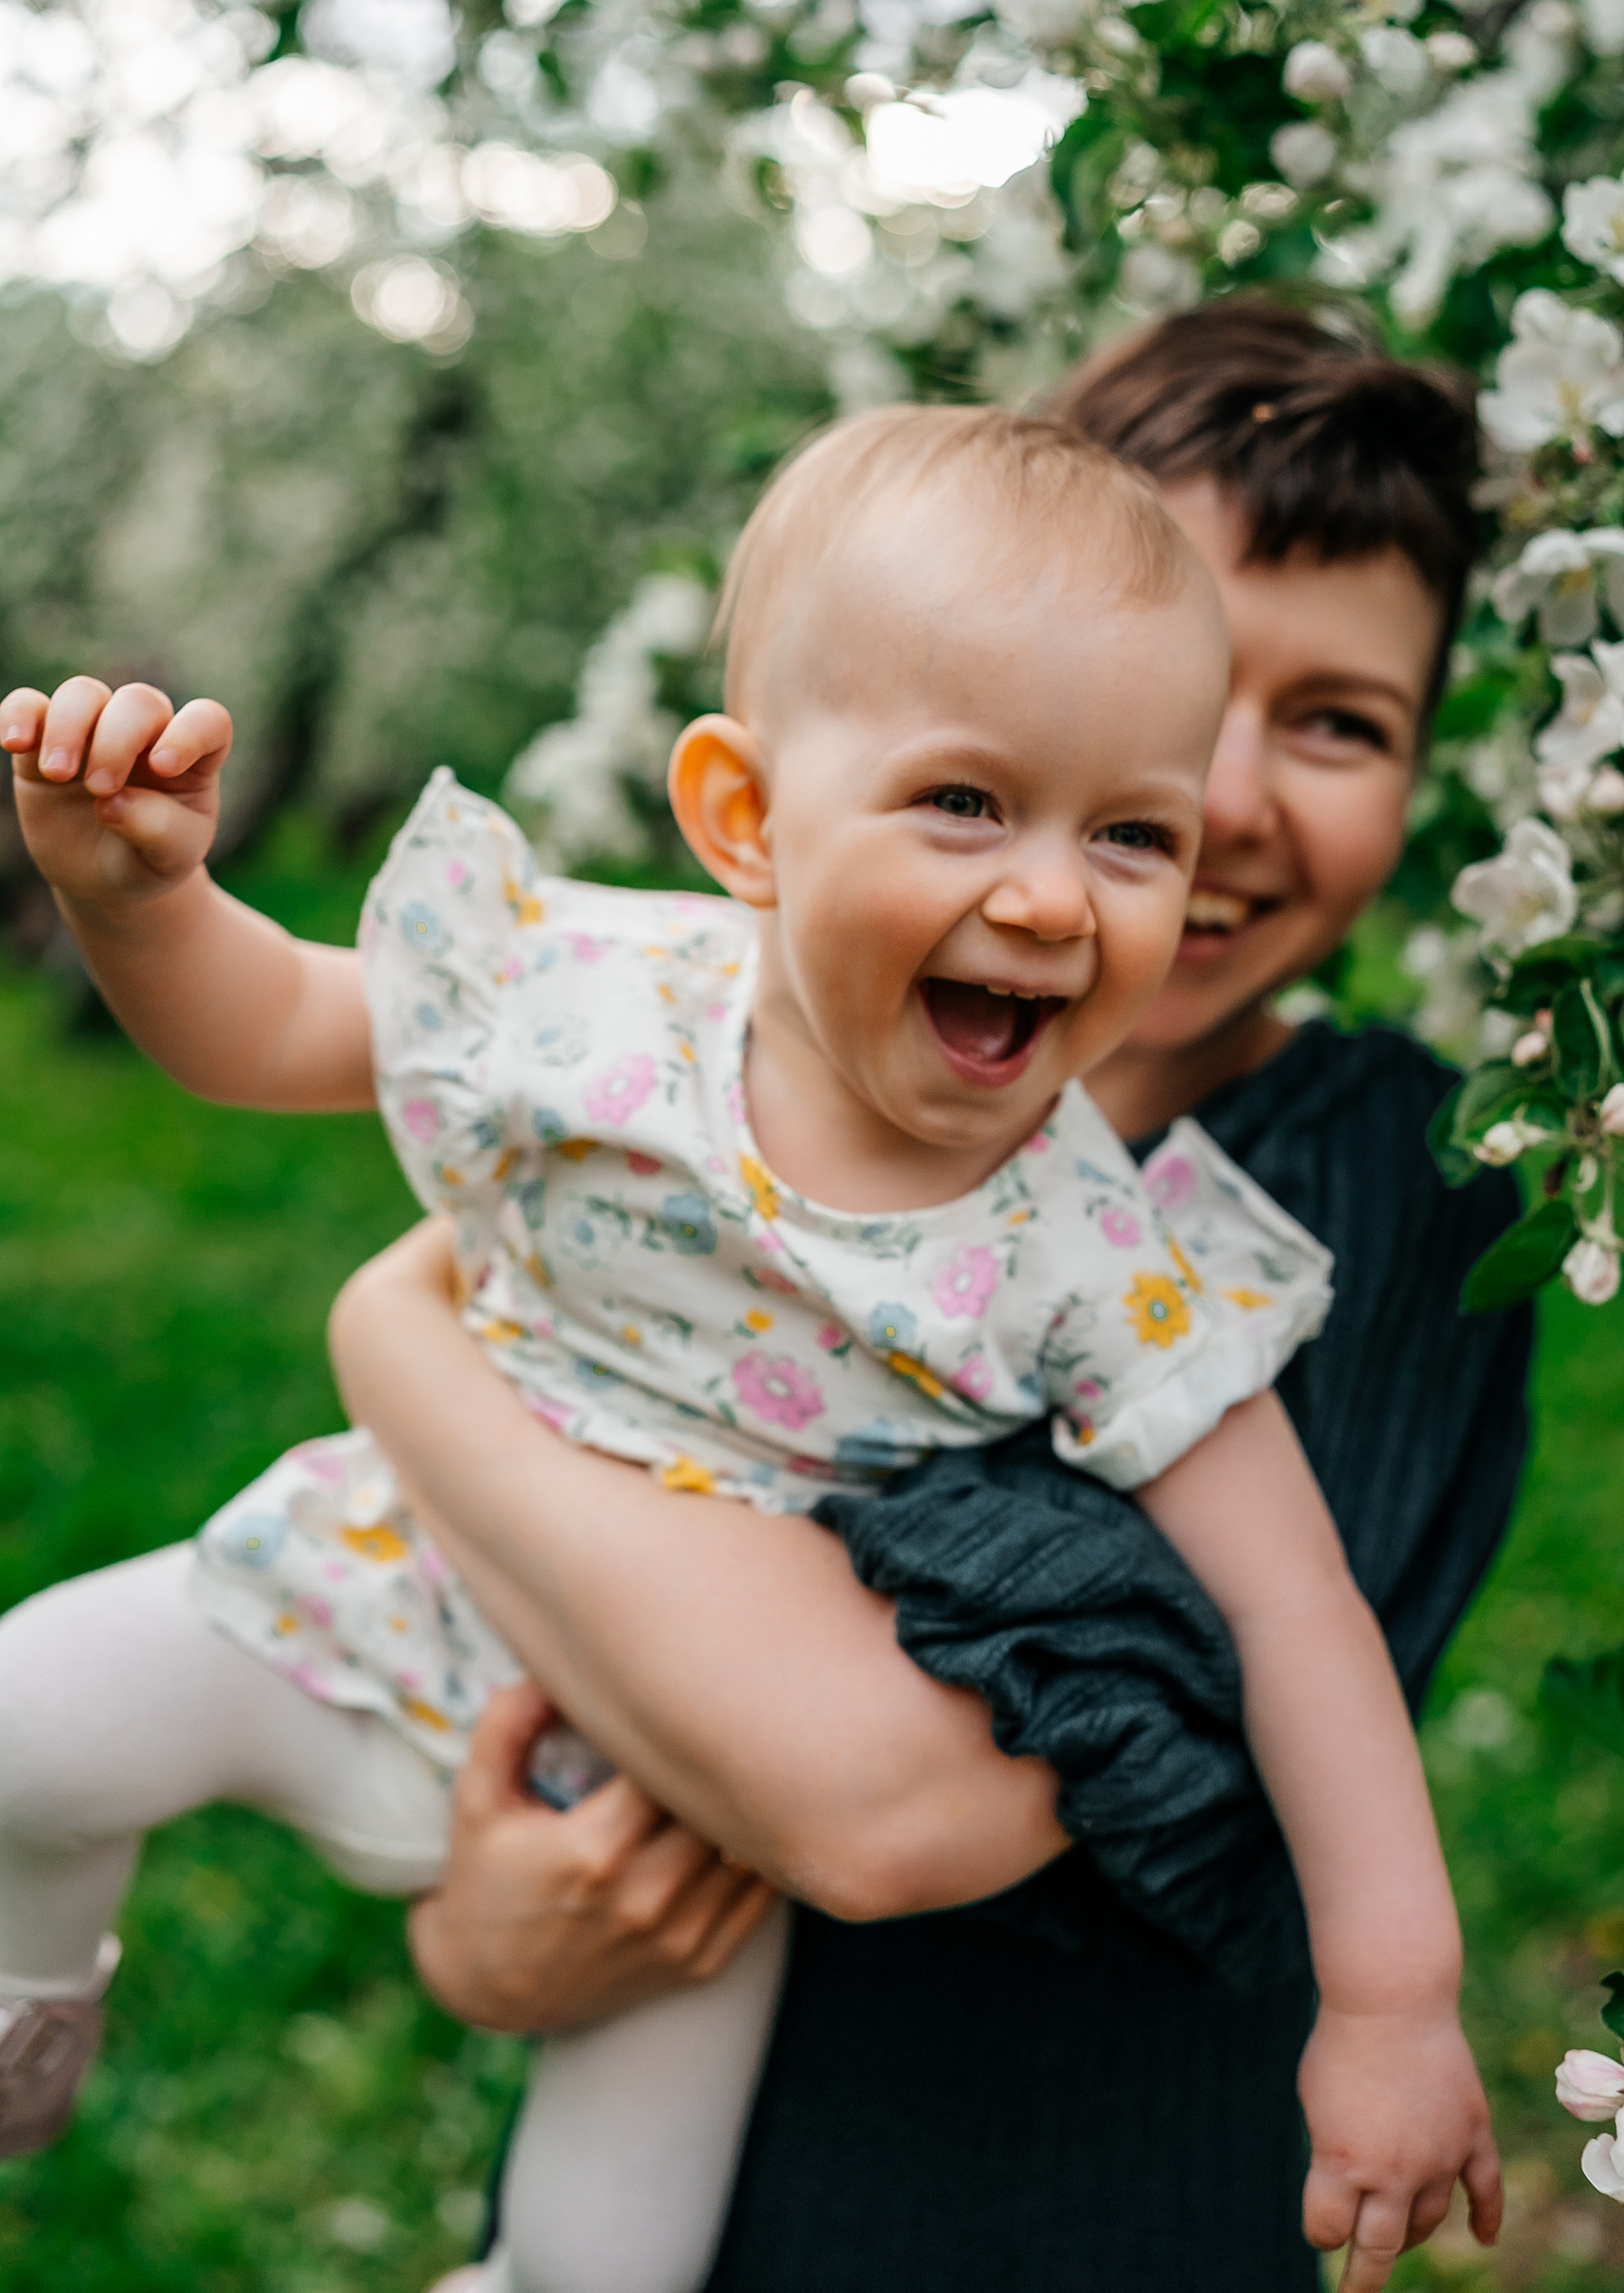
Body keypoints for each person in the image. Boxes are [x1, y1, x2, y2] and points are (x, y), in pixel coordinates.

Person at [0, 397, 1493, 2293]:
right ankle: (26, 2022)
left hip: (684, 1795)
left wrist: (1392, 2003)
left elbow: (1299, 1618)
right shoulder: (604, 991)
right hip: (382, 1575)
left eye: (1132, 832)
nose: (1050, 894)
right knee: (26, 1719)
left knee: (607, 2261)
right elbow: (276, 1028)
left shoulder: (1103, 1261)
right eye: (966, 802)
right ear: (745, 819)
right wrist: (139, 901)